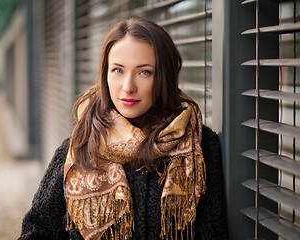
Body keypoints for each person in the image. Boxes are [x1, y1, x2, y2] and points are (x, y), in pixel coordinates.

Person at [18, 18, 228, 240]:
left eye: (144, 72)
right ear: (105, 75)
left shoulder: (198, 147)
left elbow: (215, 232)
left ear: (164, 77)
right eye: (118, 70)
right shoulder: (78, 148)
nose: (128, 87)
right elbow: (37, 230)